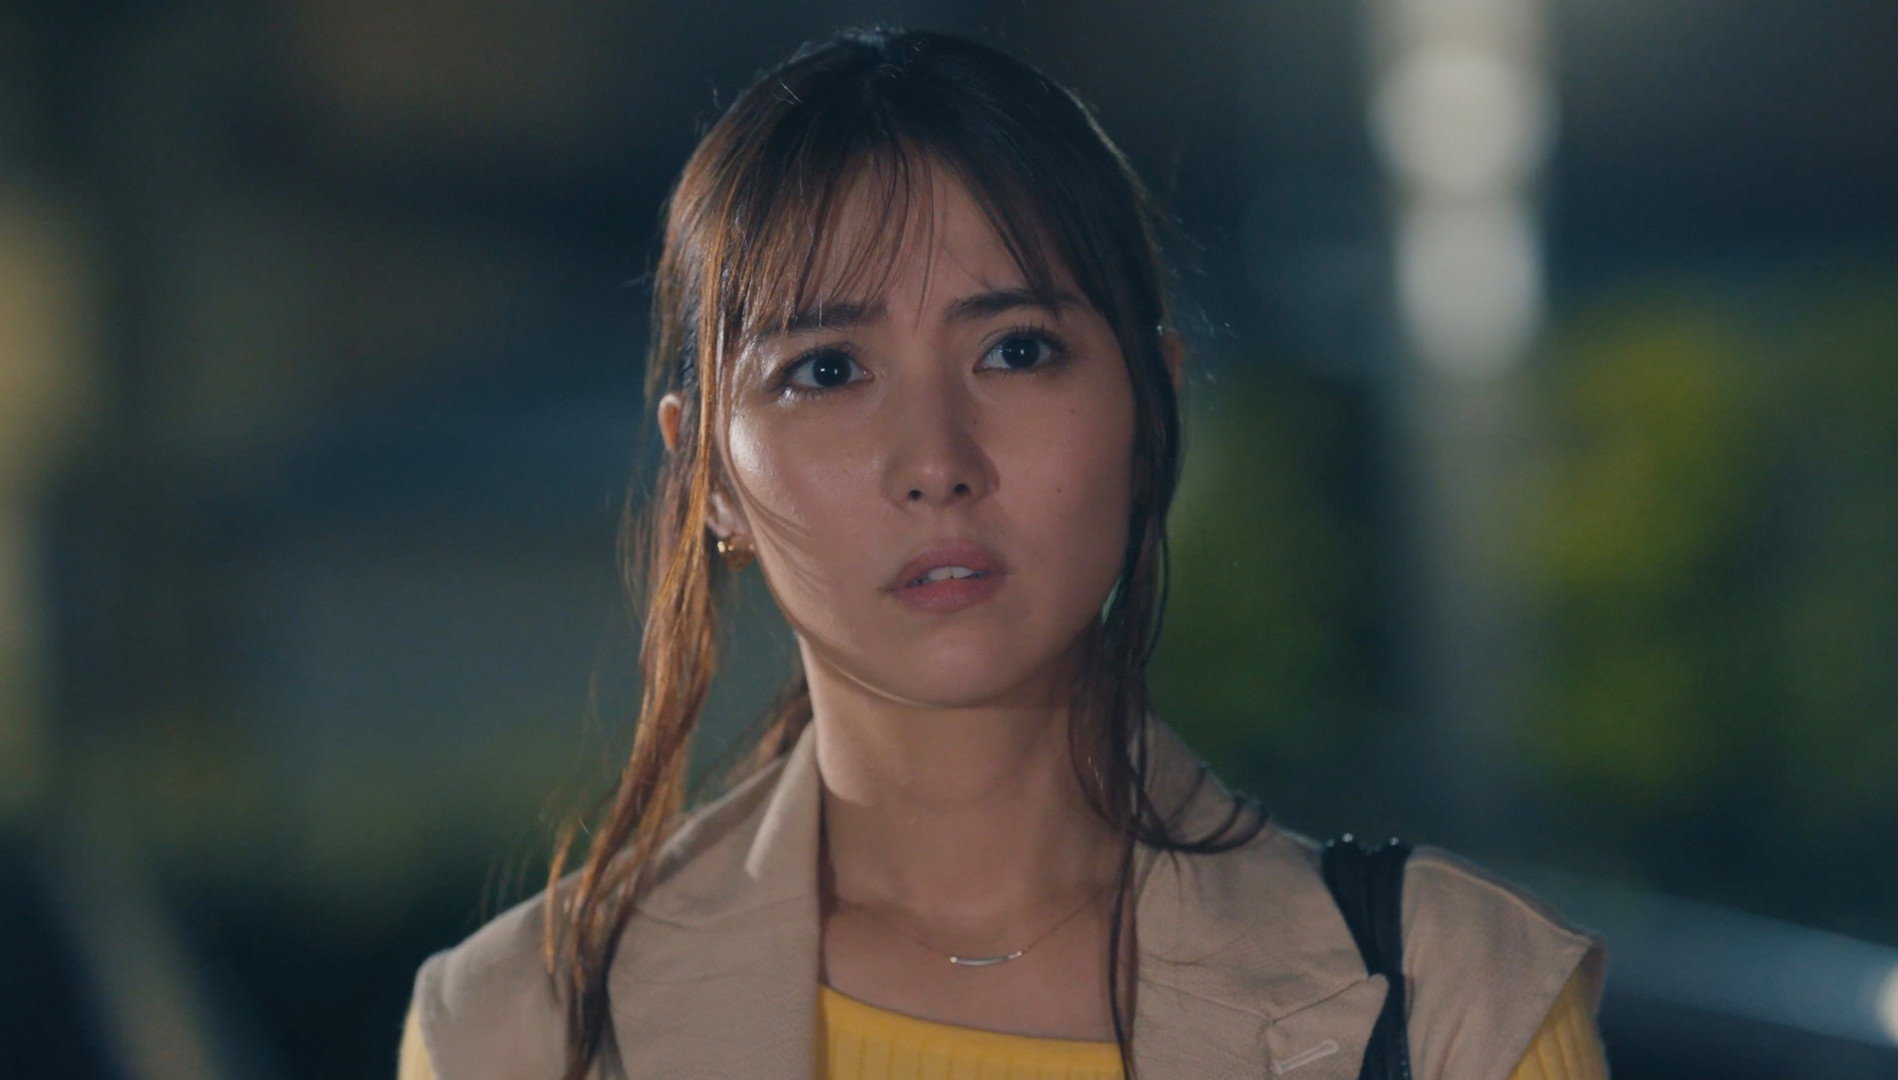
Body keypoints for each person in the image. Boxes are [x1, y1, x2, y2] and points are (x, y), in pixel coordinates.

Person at [398, 26, 1609, 1080]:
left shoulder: (1450, 1005)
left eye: (1017, 351)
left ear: (1151, 406)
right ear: (707, 474)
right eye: (827, 370)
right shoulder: (519, 1032)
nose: (936, 459)